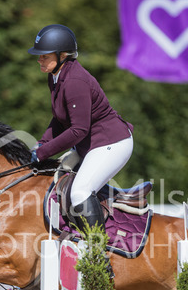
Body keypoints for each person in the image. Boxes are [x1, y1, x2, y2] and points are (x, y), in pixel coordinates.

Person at [28, 24, 134, 232]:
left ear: (63, 55)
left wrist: (42, 153)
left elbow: (78, 130)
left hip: (111, 143)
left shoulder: (75, 81)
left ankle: (97, 248)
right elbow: (59, 118)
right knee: (53, 180)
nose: (39, 59)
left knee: (80, 192)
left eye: (44, 56)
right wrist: (41, 143)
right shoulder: (55, 76)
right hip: (90, 144)